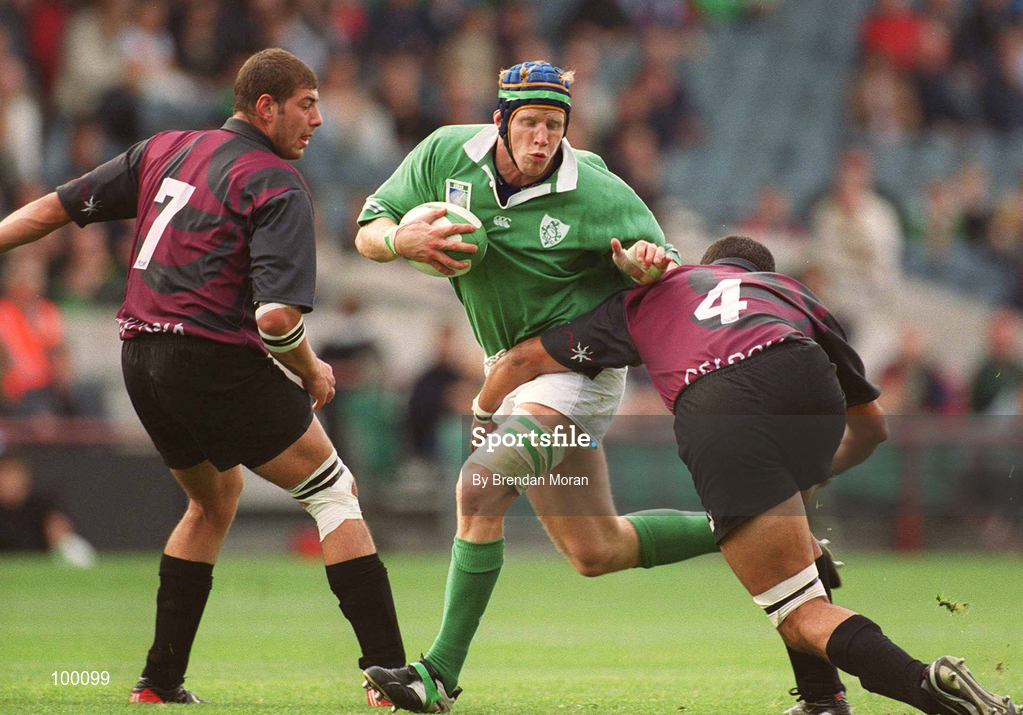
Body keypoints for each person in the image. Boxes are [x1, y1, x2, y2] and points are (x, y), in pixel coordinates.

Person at [354, 62, 835, 715]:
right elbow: (368, 227)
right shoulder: (443, 154)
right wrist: (399, 236)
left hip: (576, 370)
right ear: (498, 121)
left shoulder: (598, 190)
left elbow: (662, 282)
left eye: (553, 125)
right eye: (528, 123)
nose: (541, 137)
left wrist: (641, 265)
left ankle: (437, 673)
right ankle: (776, 530)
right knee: (596, 549)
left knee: (479, 484)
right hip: (513, 365)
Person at [415, 235, 1020, 715]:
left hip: (720, 402)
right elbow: (872, 432)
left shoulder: (660, 292)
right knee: (790, 556)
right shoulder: (789, 292)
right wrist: (802, 489)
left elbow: (523, 359)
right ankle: (823, 699)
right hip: (802, 374)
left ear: (707, 266)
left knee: (799, 613)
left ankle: (928, 685)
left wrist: (484, 414)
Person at [0, 48, 405, 706]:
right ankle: (390, 674)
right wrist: (312, 369)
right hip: (211, 357)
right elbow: (275, 319)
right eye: (307, 104)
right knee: (333, 491)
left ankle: (159, 681)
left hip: (141, 358)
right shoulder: (275, 183)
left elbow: (56, 207)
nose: (320, 120)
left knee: (210, 502)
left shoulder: (165, 148)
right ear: (266, 107)